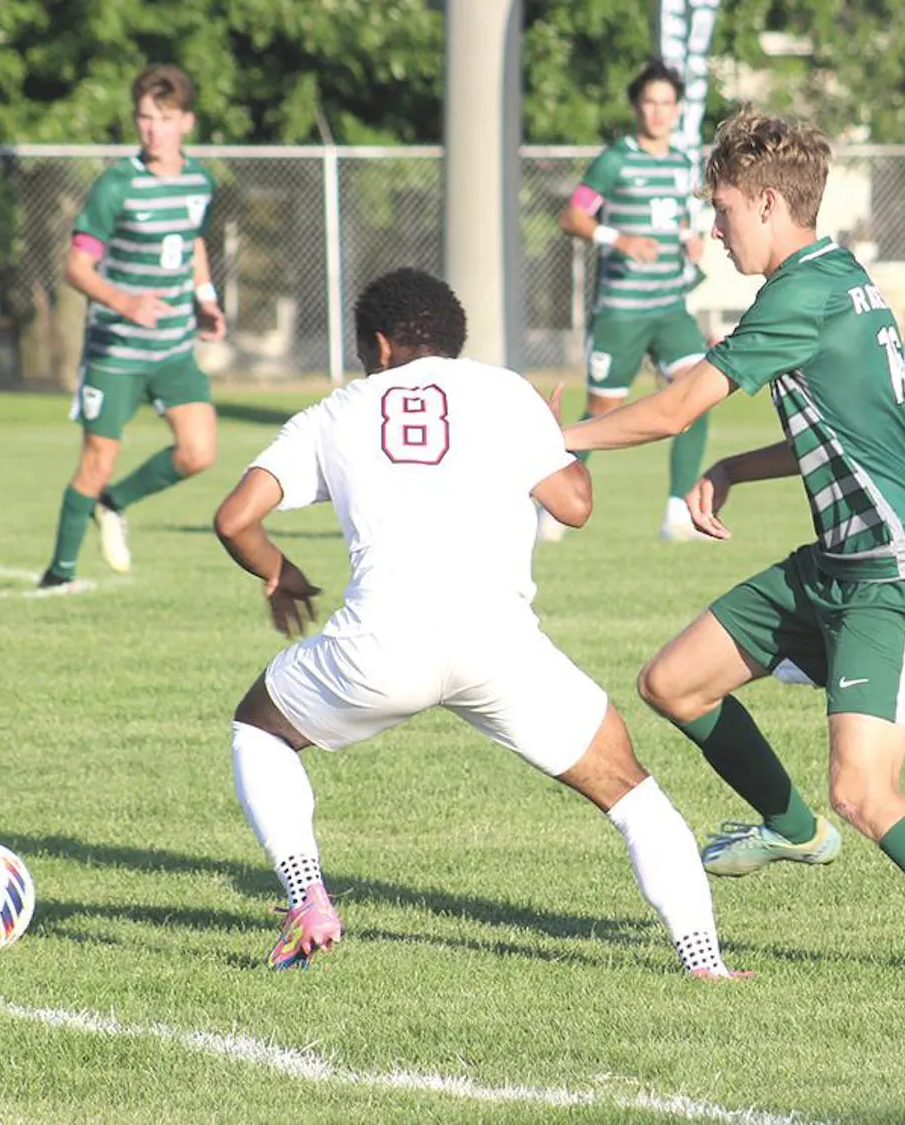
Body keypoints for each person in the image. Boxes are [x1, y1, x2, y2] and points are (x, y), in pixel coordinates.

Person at [559, 110, 905, 987]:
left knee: (864, 792)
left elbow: (675, 405)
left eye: (723, 209)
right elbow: (846, 427)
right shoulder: (836, 278)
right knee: (673, 681)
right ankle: (788, 828)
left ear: (770, 203)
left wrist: (561, 439)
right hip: (834, 561)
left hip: (889, 576)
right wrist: (738, 466)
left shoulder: (800, 293)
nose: (713, 227)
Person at [212, 267, 747, 980]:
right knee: (631, 791)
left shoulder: (335, 411)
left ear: (376, 343)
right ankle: (704, 960)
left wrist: (278, 572)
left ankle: (308, 896)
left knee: (259, 727)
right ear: (451, 341)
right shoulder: (506, 392)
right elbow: (575, 506)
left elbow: (235, 518)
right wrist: (555, 439)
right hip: (500, 648)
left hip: (380, 647)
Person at [39, 63, 227, 588]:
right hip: (117, 350)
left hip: (171, 350)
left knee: (199, 453)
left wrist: (204, 299)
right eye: (144, 117)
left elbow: (192, 244)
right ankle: (59, 576)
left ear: (186, 122)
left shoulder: (199, 181)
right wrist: (125, 302)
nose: (152, 129)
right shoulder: (116, 185)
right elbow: (76, 267)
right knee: (97, 460)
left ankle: (114, 504)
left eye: (163, 118)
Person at [542, 60, 714, 544]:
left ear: (678, 109)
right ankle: (554, 507)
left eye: (667, 104)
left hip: (671, 308)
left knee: (696, 396)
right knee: (601, 413)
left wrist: (690, 241)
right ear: (637, 107)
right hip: (621, 310)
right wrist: (619, 240)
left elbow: (681, 221)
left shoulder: (683, 164)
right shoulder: (616, 160)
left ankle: (678, 512)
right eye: (650, 102)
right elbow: (573, 216)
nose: (658, 112)